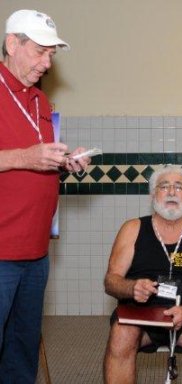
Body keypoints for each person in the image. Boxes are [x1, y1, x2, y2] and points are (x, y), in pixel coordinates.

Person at [0, 9, 90, 383]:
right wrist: (27, 157)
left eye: (52, 54)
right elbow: (25, 158)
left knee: (22, 349)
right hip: (1, 251)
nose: (47, 62)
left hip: (36, 253)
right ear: (11, 44)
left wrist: (63, 164)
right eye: (40, 51)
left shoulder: (41, 102)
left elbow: (36, 167)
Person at [103, 165, 182, 384]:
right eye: (164, 186)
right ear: (153, 194)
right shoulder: (132, 228)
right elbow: (111, 281)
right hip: (140, 314)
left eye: (179, 187)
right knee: (122, 333)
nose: (171, 192)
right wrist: (131, 288)